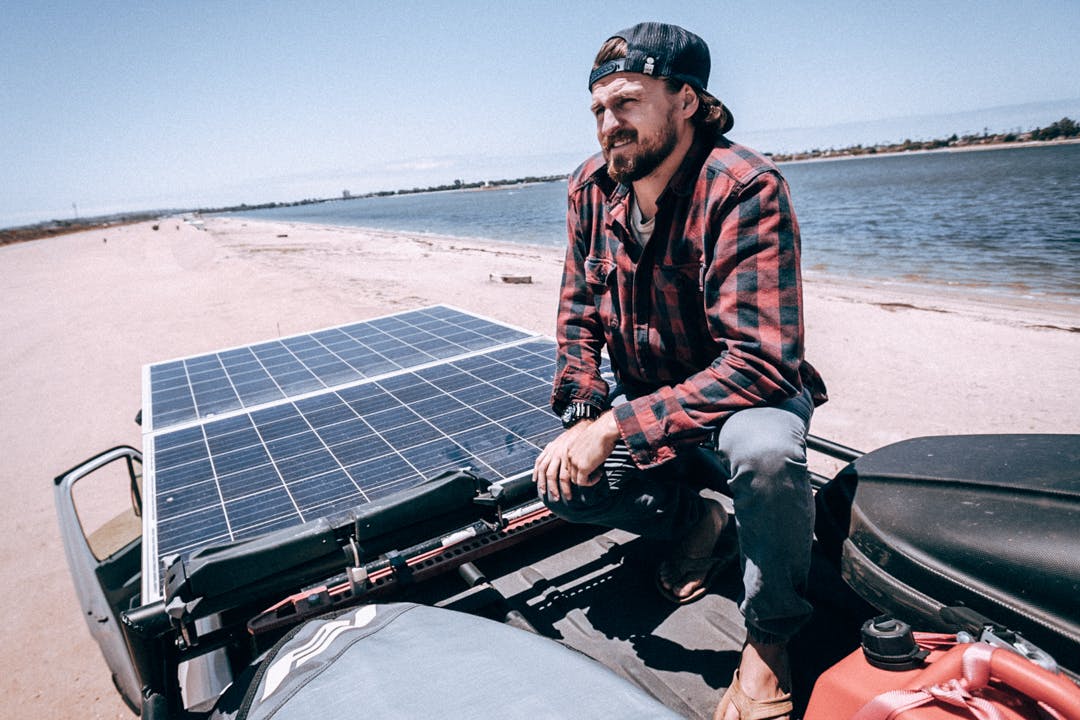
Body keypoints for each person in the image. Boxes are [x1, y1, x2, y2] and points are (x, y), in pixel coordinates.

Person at [532, 21, 827, 720]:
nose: (610, 124)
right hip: (648, 397)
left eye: (628, 102)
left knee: (764, 455)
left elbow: (760, 361)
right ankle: (702, 523)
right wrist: (584, 410)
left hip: (746, 397)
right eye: (600, 109)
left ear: (687, 101)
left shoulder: (744, 188)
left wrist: (617, 427)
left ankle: (769, 639)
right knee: (561, 485)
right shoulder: (589, 188)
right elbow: (579, 312)